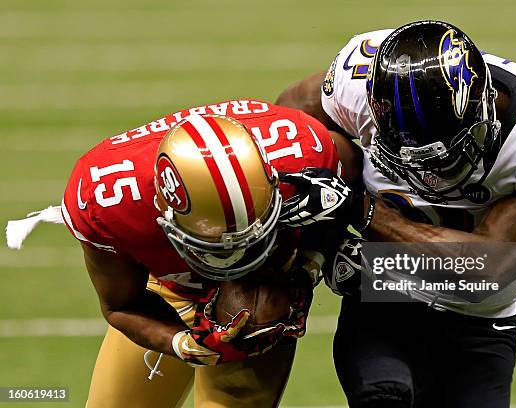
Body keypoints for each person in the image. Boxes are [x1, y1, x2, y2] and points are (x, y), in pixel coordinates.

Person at [276, 20, 516, 407]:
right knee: (383, 397)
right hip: (384, 292)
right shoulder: (358, 80)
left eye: (439, 153)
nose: (425, 173)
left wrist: (360, 209)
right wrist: (318, 249)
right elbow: (287, 137)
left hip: (479, 314)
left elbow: (487, 268)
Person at [7, 99, 360, 408]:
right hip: (171, 291)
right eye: (222, 244)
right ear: (165, 213)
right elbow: (119, 304)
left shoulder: (304, 150)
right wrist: (185, 344)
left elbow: (348, 176)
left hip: (268, 286)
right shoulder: (108, 199)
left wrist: (309, 265)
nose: (237, 257)